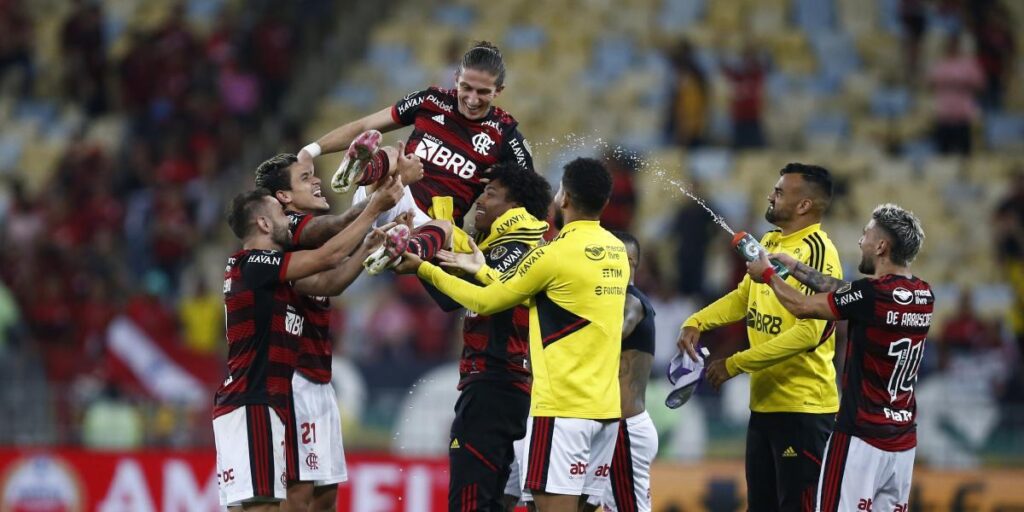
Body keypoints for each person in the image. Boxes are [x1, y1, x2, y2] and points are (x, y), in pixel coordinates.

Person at [396, 158, 628, 512]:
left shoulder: (553, 253)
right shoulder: (617, 252)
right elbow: (538, 296)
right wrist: (481, 269)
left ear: (563, 197)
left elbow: (487, 303)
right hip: (606, 410)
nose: (480, 202)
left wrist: (424, 267)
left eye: (489, 193)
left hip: (560, 408)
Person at [252, 152, 430, 511]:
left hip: (318, 375)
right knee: (298, 494)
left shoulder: (311, 237)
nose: (317, 181)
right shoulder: (289, 228)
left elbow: (332, 282)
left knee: (325, 497)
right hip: (291, 377)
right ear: (283, 198)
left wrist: (370, 245)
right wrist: (387, 191)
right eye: (305, 178)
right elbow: (333, 236)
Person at [213, 180, 403, 511]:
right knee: (265, 506)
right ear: (264, 223)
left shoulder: (268, 274)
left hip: (255, 400)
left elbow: (330, 281)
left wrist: (367, 246)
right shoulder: (255, 264)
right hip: (254, 399)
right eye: (280, 213)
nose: (289, 221)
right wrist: (373, 208)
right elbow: (328, 257)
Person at [677, 163, 843, 511]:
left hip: (804, 410)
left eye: (780, 191)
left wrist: (737, 363)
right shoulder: (770, 241)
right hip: (765, 406)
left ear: (804, 206)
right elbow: (743, 297)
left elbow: (807, 335)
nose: (771, 195)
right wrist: (697, 321)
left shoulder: (818, 253)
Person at [745, 203, 932, 512]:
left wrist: (768, 275)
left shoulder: (872, 295)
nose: (861, 242)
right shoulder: (924, 294)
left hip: (861, 438)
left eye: (866, 234)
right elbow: (849, 293)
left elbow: (804, 308)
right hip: (902, 443)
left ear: (882, 246)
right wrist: (795, 267)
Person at [297, 41, 534, 270]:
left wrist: (502, 181)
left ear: (498, 91)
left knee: (445, 227)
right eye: (466, 88)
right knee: (390, 153)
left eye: (483, 92)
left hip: (425, 225)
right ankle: (359, 170)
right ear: (456, 79)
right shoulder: (430, 100)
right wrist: (311, 150)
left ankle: (398, 247)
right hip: (384, 193)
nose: (472, 99)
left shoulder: (505, 135)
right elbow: (365, 126)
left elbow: (531, 195)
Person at [422, 163, 552, 511]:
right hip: (501, 385)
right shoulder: (504, 247)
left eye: (490, 193)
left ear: (515, 207)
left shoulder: (516, 247)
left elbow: (451, 297)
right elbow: (454, 293)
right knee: (492, 501)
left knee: (471, 503)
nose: (480, 199)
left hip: (495, 382)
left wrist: (414, 259)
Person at [584, 231, 658, 512]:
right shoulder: (612, 300)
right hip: (611, 427)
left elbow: (614, 333)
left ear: (629, 262)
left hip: (625, 428)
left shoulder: (631, 301)